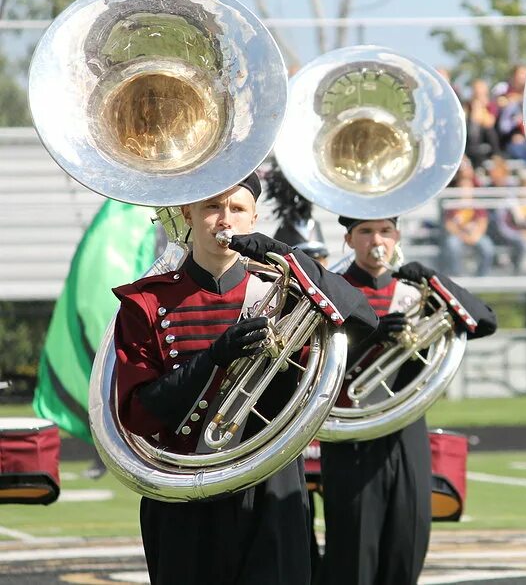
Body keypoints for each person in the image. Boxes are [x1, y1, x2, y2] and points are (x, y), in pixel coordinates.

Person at [112, 173, 377, 585]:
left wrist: (285, 255)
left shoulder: (286, 290)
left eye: (236, 209)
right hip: (184, 493)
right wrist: (214, 357)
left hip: (271, 488)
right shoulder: (147, 301)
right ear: (188, 213)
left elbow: (364, 316)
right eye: (212, 207)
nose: (224, 220)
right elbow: (137, 416)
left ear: (254, 217)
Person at [318, 215, 497, 585]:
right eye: (365, 232)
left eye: (385, 231)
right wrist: (372, 335)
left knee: (408, 545)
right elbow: (314, 365)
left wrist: (433, 278)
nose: (376, 241)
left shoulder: (414, 292)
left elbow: (485, 321)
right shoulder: (332, 290)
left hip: (408, 432)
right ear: (349, 240)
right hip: (352, 436)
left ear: (397, 236)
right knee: (353, 558)